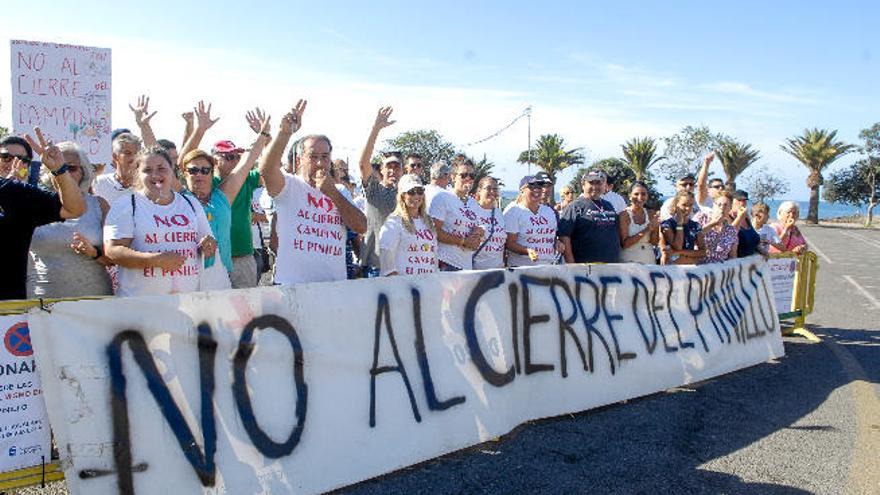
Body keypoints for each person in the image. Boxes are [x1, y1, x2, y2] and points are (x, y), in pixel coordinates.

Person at [259, 99, 367, 285]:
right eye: (313, 157)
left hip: (332, 287)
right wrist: (284, 133)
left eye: (324, 157)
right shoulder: (289, 185)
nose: (319, 162)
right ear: (300, 160)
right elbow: (266, 170)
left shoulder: (339, 190)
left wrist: (332, 193)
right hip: (293, 286)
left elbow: (361, 227)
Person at [103, 146, 216, 297]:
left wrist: (208, 245)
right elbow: (113, 251)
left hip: (186, 302)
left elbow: (206, 243)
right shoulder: (127, 205)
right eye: (147, 170)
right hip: (141, 303)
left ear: (172, 170)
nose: (155, 175)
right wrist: (155, 260)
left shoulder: (190, 203)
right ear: (138, 173)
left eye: (161, 168)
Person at [1, 127, 86, 300]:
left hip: (7, 311)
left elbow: (74, 209)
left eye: (22, 159)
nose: (13, 162)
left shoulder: (18, 193)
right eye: (5, 157)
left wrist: (59, 170)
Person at [28, 142, 113, 298]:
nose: (64, 172)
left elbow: (114, 259)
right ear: (49, 172)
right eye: (57, 166)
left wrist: (94, 253)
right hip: (43, 304)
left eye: (71, 168)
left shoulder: (99, 205)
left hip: (94, 302)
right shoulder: (32, 204)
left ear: (83, 172)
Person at [357, 107, 402, 277]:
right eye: (388, 167)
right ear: (381, 170)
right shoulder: (374, 191)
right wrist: (375, 129)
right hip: (376, 266)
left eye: (397, 167)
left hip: (402, 266)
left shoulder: (411, 195)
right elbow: (363, 163)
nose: (392, 171)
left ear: (403, 171)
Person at [378, 174, 437, 276]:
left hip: (428, 283)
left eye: (419, 191)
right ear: (402, 196)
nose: (416, 196)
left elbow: (433, 255)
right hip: (404, 286)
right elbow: (386, 260)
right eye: (411, 192)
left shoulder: (428, 222)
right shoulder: (394, 222)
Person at [430, 159, 484, 271]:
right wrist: (463, 241)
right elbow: (434, 231)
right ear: (453, 177)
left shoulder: (473, 203)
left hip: (467, 264)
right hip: (446, 263)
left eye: (472, 175)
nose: (468, 178)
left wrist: (478, 234)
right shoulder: (442, 198)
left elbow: (479, 226)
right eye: (463, 175)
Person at [559, 169, 620, 264]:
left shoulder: (609, 205)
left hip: (611, 265)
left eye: (599, 183)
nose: (595, 186)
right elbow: (564, 237)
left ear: (604, 185)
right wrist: (571, 265)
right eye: (591, 183)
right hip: (585, 267)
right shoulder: (575, 206)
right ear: (583, 185)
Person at [504, 175, 559, 267]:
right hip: (522, 268)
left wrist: (558, 243)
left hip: (547, 267)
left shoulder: (549, 212)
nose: (536, 189)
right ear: (522, 191)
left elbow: (550, 238)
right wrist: (527, 251)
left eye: (539, 186)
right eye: (531, 186)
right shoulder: (514, 211)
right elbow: (509, 244)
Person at [93, 132, 142, 204]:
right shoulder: (99, 183)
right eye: (128, 153)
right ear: (115, 156)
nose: (134, 158)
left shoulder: (145, 185)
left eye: (137, 153)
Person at [659, 190, 706, 265]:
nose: (687, 208)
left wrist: (678, 253)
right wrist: (679, 224)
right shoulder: (667, 224)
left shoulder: (695, 226)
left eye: (690, 205)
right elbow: (678, 246)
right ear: (675, 205)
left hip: (690, 269)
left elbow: (703, 252)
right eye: (684, 205)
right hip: (672, 269)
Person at [618, 182, 659, 264]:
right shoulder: (624, 215)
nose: (640, 197)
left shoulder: (651, 214)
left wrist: (656, 228)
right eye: (636, 194)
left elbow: (654, 242)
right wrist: (647, 229)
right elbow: (625, 244)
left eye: (643, 194)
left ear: (647, 196)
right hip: (628, 260)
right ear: (630, 196)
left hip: (648, 259)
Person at [693, 190, 739, 264]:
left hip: (719, 271)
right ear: (714, 205)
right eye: (719, 204)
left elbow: (732, 256)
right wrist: (712, 224)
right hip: (699, 268)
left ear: (730, 208)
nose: (722, 208)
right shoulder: (701, 218)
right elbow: (692, 237)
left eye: (725, 205)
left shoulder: (731, 230)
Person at [472, 176, 507, 269]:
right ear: (479, 190)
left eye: (495, 189)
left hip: (498, 270)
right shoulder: (471, 210)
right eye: (488, 188)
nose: (492, 192)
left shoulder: (499, 213)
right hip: (476, 271)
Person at [731, 190, 761, 257]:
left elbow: (753, 238)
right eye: (739, 200)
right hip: (737, 262)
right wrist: (739, 217)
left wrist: (761, 250)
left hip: (750, 262)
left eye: (744, 200)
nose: (742, 203)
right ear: (732, 201)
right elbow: (729, 233)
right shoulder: (728, 217)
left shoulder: (746, 217)